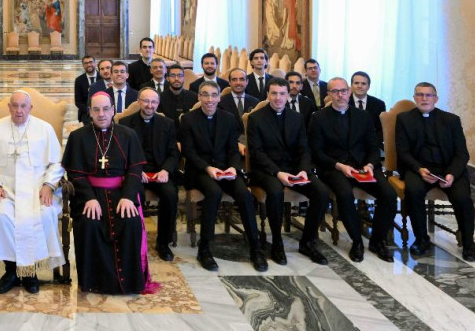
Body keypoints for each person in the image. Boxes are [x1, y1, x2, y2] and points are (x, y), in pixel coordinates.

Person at [0, 91, 65, 293]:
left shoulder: (45, 129)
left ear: (30, 108)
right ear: (9, 107)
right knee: (1, 215)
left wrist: (48, 185)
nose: (19, 110)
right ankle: (12, 271)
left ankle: (30, 272)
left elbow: (56, 163)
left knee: (44, 214)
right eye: (15, 106)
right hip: (6, 191)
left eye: (23, 106)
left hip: (37, 191)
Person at [62, 91, 157, 294]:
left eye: (106, 109)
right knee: (89, 223)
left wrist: (129, 197)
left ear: (113, 110)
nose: (101, 114)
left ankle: (129, 282)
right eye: (96, 109)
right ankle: (94, 282)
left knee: (130, 222)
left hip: (121, 193)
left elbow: (134, 169)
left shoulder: (128, 135)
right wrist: (88, 199)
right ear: (89, 112)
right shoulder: (78, 137)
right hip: (90, 194)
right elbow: (75, 173)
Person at [179, 82, 267, 272]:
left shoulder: (228, 118)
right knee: (213, 192)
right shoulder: (188, 119)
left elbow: (233, 149)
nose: (209, 100)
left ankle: (255, 247)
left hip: (226, 170)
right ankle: (205, 249)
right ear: (199, 97)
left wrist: (234, 168)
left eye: (213, 95)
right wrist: (208, 168)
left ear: (219, 97)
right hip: (199, 171)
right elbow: (189, 152)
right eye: (205, 95)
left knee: (244, 195)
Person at [309, 77, 397, 262]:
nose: (340, 95)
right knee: (345, 195)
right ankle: (357, 241)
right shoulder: (318, 118)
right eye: (335, 91)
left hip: (363, 167)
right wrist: (339, 166)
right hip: (334, 168)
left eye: (343, 91)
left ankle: (377, 240)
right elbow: (316, 152)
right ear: (329, 94)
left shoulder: (363, 116)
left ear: (349, 92)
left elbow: (373, 147)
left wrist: (370, 165)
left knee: (388, 194)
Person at [247, 77, 330, 266]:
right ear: (267, 95)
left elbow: (304, 149)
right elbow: (256, 153)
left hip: (294, 169)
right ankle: (277, 243)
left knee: (322, 192)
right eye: (274, 93)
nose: (278, 98)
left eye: (282, 93)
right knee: (275, 191)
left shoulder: (297, 117)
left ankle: (307, 241)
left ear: (288, 95)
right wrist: (278, 173)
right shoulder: (256, 118)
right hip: (266, 171)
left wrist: (303, 170)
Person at [396, 82, 475, 261]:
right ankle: (421, 239)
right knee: (413, 192)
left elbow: (462, 153)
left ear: (436, 98)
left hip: (449, 169)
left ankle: (469, 243)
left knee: (463, 199)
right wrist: (419, 169)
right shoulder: (404, 119)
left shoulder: (452, 120)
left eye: (428, 95)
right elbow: (403, 152)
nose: (424, 98)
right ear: (414, 97)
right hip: (419, 169)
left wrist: (452, 174)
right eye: (420, 95)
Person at [118, 88, 179, 261]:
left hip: (160, 172)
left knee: (170, 195)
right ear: (138, 101)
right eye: (146, 101)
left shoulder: (167, 123)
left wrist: (166, 170)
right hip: (136, 173)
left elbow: (174, 153)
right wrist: (137, 171)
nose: (149, 105)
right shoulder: (124, 122)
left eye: (153, 102)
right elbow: (121, 154)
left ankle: (163, 243)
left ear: (158, 104)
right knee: (132, 195)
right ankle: (133, 241)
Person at [348, 71, 386, 146]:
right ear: (351, 85)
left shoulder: (379, 104)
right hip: (349, 146)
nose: (359, 86)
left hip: (372, 145)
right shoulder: (345, 103)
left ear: (368, 86)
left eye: (363, 83)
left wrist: (372, 143)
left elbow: (381, 129)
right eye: (356, 83)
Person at [219, 69, 260, 137]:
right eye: (234, 79)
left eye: (241, 79)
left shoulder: (255, 102)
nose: (238, 83)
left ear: (247, 81)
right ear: (229, 82)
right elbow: (221, 128)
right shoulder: (220, 102)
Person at [73, 55, 99, 123]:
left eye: (91, 62)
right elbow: (78, 102)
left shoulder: (102, 77)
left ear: (95, 63)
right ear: (83, 65)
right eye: (86, 63)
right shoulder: (79, 80)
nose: (89, 65)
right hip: (86, 112)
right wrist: (89, 111)